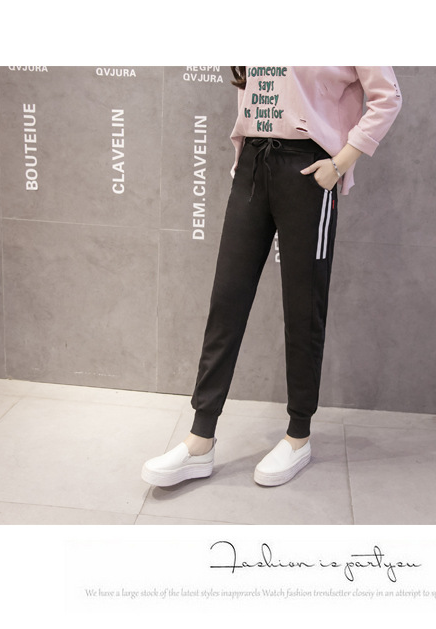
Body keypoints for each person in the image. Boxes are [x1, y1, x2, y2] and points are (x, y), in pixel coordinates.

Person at [142, 66, 402, 488]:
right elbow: (252, 86)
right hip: (253, 164)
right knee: (226, 302)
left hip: (309, 170)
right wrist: (243, 156)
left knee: (303, 307)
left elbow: (387, 97)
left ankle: (298, 436)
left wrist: (340, 164)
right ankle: (200, 438)